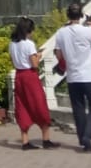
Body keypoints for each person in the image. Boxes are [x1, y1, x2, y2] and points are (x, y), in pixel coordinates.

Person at [53, 3, 91, 153]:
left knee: (79, 109)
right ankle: (88, 137)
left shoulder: (61, 33)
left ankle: (84, 140)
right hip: (89, 75)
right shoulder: (87, 31)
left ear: (67, 15)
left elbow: (58, 54)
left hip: (73, 76)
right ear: (81, 15)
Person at [8, 18, 58, 150]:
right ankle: (46, 139)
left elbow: (14, 62)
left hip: (19, 75)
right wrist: (39, 55)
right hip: (30, 76)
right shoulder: (29, 44)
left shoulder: (12, 44)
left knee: (22, 105)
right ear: (28, 30)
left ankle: (25, 140)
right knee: (39, 104)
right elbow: (34, 64)